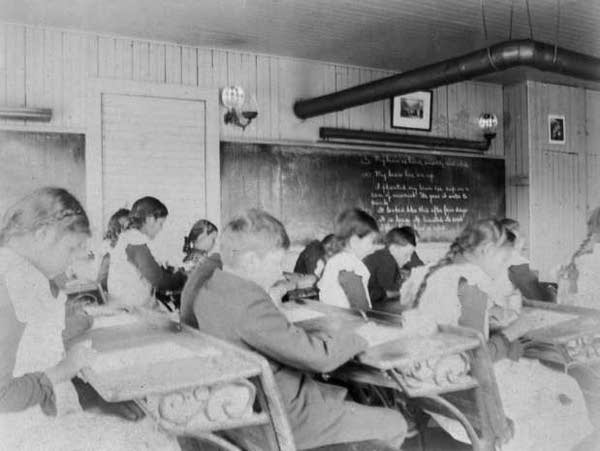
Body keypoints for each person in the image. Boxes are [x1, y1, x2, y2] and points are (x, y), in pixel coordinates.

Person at [186, 209, 407, 450]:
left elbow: (273, 336)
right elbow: (320, 358)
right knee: (395, 423)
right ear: (250, 260)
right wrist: (363, 336)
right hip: (289, 420)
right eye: (276, 262)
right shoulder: (250, 302)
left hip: (246, 415)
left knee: (349, 394)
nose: (280, 272)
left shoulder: (211, 289)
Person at [0, 187, 179, 450]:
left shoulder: (25, 273)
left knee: (150, 423)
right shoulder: (11, 285)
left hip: (42, 409)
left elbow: (45, 340)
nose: (74, 259)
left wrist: (94, 399)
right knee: (161, 437)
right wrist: (66, 369)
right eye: (71, 248)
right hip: (22, 431)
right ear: (43, 234)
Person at [400, 219, 592, 451]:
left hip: (429, 391)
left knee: (541, 377)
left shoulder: (426, 274)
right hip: (468, 396)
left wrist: (502, 336)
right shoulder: (471, 282)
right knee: (565, 386)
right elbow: (475, 359)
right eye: (503, 260)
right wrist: (515, 331)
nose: (503, 269)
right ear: (487, 251)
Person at [107, 196, 186, 310]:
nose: (160, 229)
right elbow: (158, 280)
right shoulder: (135, 242)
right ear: (150, 219)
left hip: (123, 305)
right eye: (160, 224)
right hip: (131, 310)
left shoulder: (127, 238)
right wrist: (183, 278)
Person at [318, 209, 380, 310]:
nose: (373, 248)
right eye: (371, 242)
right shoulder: (349, 265)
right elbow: (360, 306)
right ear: (354, 241)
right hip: (348, 322)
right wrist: (370, 322)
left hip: (334, 319)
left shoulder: (336, 260)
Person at [499, 218, 554, 303]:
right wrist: (551, 292)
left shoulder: (500, 263)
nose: (525, 240)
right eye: (521, 236)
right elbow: (539, 301)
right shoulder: (519, 266)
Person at [557, 207, 600, 308]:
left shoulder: (585, 259)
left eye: (590, 224)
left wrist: (567, 280)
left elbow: (568, 302)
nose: (588, 229)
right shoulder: (583, 257)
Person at [363, 227, 416, 306]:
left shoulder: (380, 255)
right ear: (394, 248)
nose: (408, 259)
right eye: (406, 255)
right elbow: (389, 293)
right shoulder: (388, 261)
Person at [96, 208, 130, 292]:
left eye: (129, 228)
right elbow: (101, 282)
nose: (126, 232)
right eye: (121, 228)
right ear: (115, 231)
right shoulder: (108, 250)